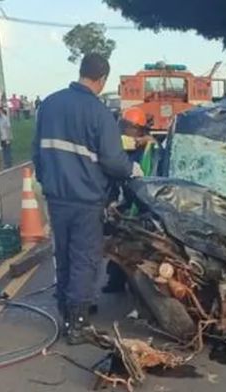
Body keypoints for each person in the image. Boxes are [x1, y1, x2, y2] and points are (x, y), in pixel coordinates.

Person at [33, 53, 142, 345]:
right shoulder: (99, 113)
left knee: (65, 254)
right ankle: (78, 323)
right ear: (103, 78)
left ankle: (66, 311)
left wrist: (48, 182)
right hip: (86, 199)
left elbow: (37, 153)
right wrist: (133, 168)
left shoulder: (49, 105)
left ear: (81, 71)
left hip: (57, 197)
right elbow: (114, 162)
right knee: (84, 258)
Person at [103, 107, 157, 294]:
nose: (125, 132)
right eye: (123, 127)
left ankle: (133, 284)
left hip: (140, 203)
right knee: (118, 241)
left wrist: (150, 142)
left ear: (140, 130)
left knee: (135, 245)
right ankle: (116, 281)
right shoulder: (119, 149)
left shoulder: (148, 149)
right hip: (123, 201)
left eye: (130, 128)